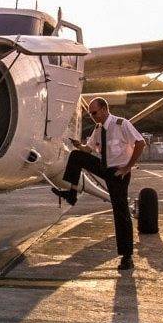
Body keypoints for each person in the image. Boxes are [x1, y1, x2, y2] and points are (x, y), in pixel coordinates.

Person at [51, 97, 146, 270]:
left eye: (94, 113)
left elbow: (140, 143)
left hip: (119, 173)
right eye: (90, 114)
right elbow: (90, 149)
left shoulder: (121, 124)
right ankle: (72, 194)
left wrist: (127, 167)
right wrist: (79, 145)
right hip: (104, 167)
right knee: (76, 156)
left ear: (104, 109)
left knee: (120, 211)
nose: (93, 116)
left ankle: (127, 257)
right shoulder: (98, 129)